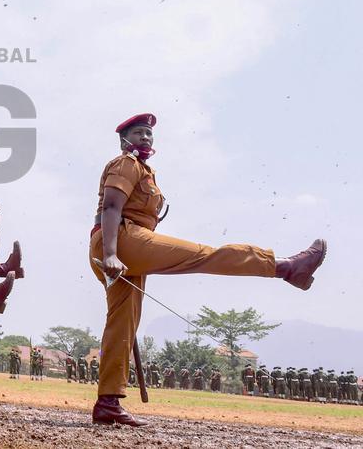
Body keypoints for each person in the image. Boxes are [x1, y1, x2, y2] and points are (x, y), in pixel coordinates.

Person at [90, 113, 327, 426]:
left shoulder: (146, 171)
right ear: (125, 140)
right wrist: (109, 254)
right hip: (120, 240)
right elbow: (110, 207)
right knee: (203, 255)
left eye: (149, 133)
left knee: (122, 324)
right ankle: (284, 267)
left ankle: (108, 404)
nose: (145, 137)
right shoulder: (126, 164)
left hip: (126, 247)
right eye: (138, 133)